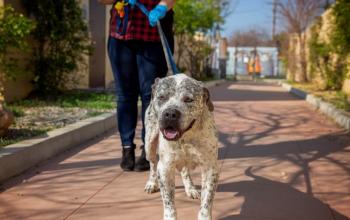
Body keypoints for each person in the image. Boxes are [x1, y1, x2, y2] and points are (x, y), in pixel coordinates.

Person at [98, 0, 175, 171]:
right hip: (121, 36)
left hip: (152, 36)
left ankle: (148, 149)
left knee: (151, 95)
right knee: (125, 95)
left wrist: (162, 7)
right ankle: (127, 148)